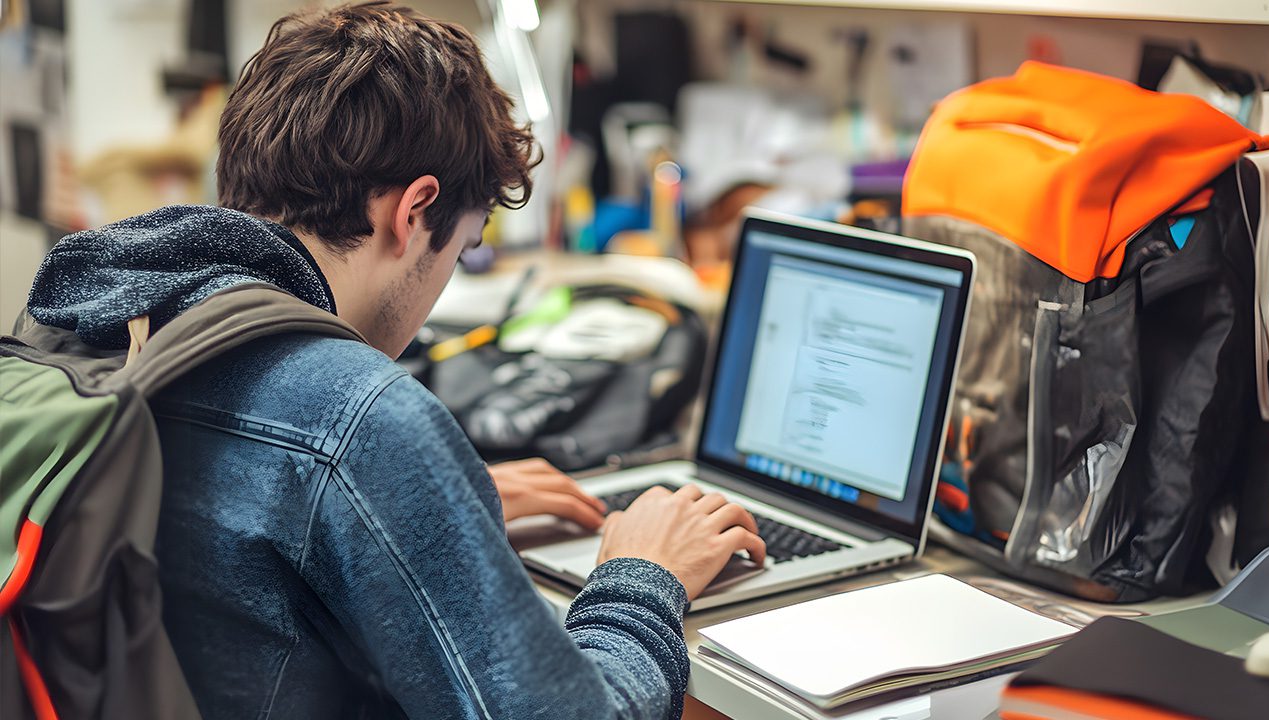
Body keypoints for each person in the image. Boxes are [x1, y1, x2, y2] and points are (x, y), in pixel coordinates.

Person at [24, 2, 766, 718]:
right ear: (413, 212)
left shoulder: (92, 311)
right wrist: (641, 576)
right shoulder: (357, 419)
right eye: (463, 245)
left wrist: (423, 513)